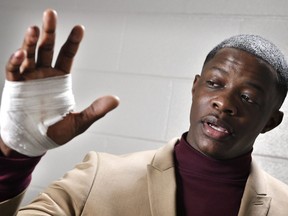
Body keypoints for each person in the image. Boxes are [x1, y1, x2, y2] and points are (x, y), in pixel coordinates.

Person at [0, 9, 288, 216]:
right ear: (195, 88)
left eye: (248, 97)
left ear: (271, 122)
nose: (224, 103)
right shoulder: (99, 176)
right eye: (214, 84)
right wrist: (17, 159)